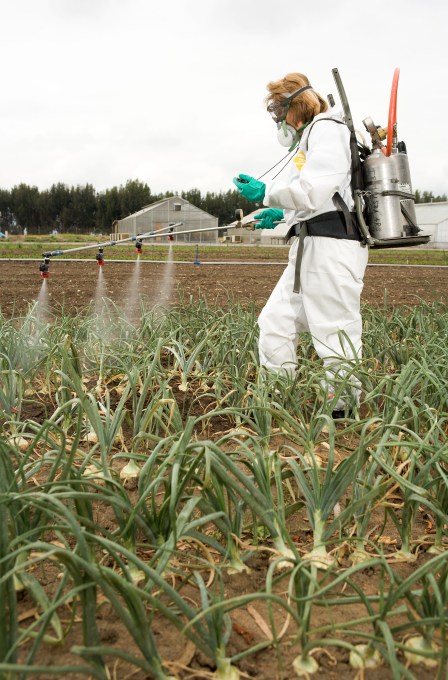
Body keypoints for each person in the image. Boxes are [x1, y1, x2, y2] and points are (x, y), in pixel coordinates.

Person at [233, 72, 368, 417]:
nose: (277, 116)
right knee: (275, 321)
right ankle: (278, 401)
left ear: (298, 104)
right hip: (309, 244)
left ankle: (342, 413)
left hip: (331, 245)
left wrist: (266, 194)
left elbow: (316, 189)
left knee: (334, 328)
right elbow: (311, 198)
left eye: (279, 107)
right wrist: (278, 213)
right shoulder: (308, 139)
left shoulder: (327, 127)